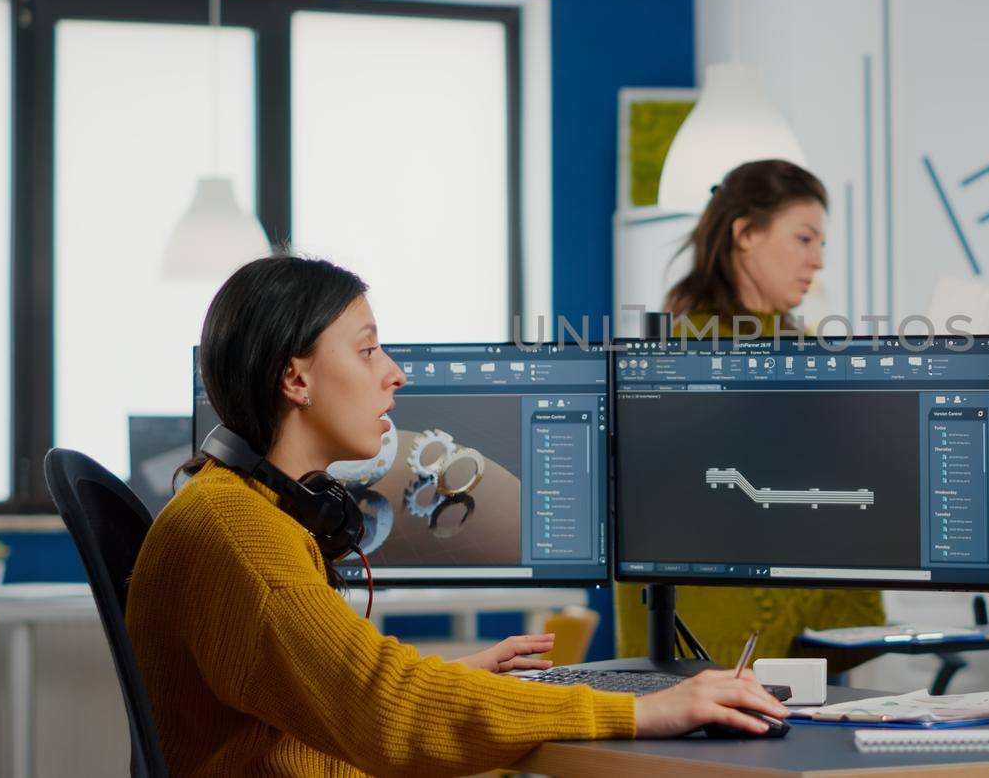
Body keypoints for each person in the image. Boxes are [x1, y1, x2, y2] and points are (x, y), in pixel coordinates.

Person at [127, 254, 788, 776]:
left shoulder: (243, 508)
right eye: (366, 350)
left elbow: (344, 689)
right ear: (296, 379)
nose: (396, 374)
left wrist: (456, 679)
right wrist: (641, 711)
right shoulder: (241, 536)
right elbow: (383, 712)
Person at [615, 159, 885, 669]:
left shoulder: (806, 350)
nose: (818, 261)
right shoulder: (675, 353)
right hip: (711, 633)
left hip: (810, 631)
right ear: (745, 234)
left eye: (822, 244)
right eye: (805, 240)